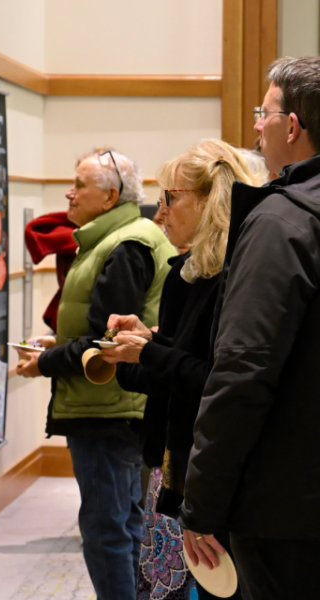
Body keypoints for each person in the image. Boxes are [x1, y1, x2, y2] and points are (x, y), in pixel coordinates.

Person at [177, 56, 320, 600]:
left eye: (264, 112)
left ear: (293, 126)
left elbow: (243, 370)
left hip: (288, 512)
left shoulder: (282, 222)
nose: (255, 125)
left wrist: (202, 502)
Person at [100, 140, 266, 600]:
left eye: (171, 198)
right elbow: (171, 372)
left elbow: (217, 382)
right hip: (170, 466)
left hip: (211, 473)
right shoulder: (184, 272)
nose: (160, 212)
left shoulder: (238, 276)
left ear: (211, 201)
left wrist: (150, 351)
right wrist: (133, 349)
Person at [17, 148, 175, 600]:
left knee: (108, 532)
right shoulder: (123, 236)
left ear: (109, 197)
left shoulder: (125, 245)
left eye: (80, 184)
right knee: (124, 523)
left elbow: (105, 343)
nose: (69, 192)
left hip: (107, 409)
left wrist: (45, 362)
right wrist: (55, 345)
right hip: (115, 405)